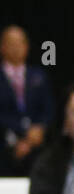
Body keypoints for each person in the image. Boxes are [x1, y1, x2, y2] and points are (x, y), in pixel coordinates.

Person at [0, 24, 54, 177]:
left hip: (37, 149)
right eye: (11, 43)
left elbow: (48, 109)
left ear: (27, 46)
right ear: (2, 47)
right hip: (5, 149)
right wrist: (19, 137)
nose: (16, 48)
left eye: (20, 43)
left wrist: (37, 131)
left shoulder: (39, 76)